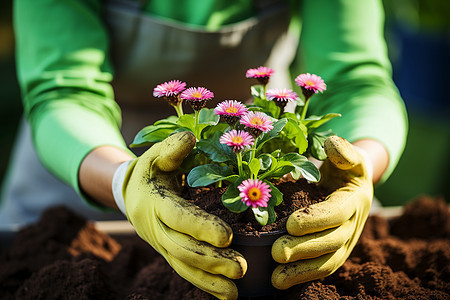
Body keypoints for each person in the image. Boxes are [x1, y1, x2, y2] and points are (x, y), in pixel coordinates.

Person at [1, 0, 407, 298]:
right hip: (88, 158)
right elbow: (64, 89)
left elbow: (356, 80)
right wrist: (123, 180)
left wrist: (361, 165)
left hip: (258, 137)